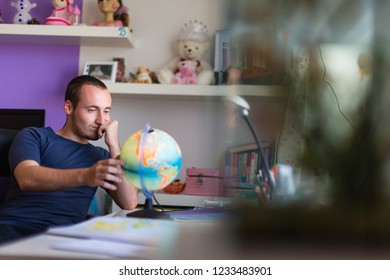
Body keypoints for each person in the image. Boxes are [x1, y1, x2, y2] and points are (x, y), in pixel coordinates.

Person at [0, 75, 138, 245]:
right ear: (68, 107)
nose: (101, 120)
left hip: (66, 240)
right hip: (16, 230)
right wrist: (86, 176)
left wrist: (115, 146)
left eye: (106, 111)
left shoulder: (101, 156)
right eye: (92, 110)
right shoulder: (35, 136)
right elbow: (26, 177)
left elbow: (129, 202)